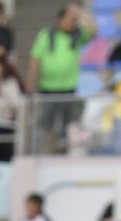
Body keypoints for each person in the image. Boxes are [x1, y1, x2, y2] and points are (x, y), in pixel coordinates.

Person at [27, 4, 93, 152]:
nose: (72, 23)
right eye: (70, 19)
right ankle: (47, 151)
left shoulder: (77, 36)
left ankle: (63, 154)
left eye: (74, 20)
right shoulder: (46, 35)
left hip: (68, 89)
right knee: (46, 126)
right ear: (60, 19)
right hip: (48, 89)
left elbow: (94, 30)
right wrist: (31, 85)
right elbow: (35, 60)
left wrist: (80, 13)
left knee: (68, 127)